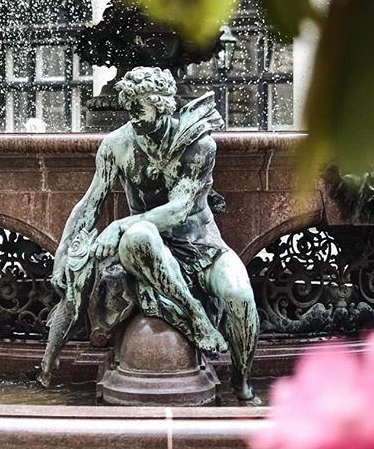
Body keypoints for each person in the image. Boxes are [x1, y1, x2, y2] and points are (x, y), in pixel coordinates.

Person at [39, 66, 260, 403]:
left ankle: (242, 382)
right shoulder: (117, 146)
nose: (132, 116)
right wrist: (61, 256)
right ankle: (195, 316)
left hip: (202, 244)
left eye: (138, 107)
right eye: (128, 107)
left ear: (161, 104)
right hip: (143, 248)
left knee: (241, 297)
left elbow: (179, 211)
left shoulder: (198, 144)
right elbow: (88, 205)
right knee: (139, 234)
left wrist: (118, 225)